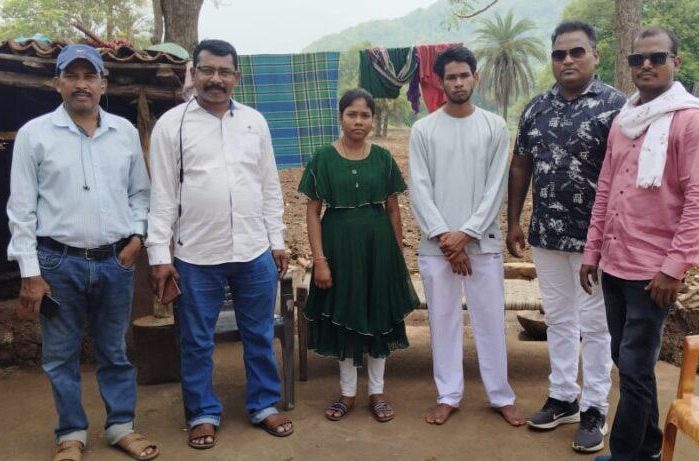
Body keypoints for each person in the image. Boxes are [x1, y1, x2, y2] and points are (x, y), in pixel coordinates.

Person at [6, 44, 158, 461]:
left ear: (103, 84)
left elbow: (140, 193)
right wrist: (30, 272)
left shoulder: (124, 132)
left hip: (115, 261)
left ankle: (121, 427)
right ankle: (71, 433)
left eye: (89, 76)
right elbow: (21, 209)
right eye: (71, 76)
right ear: (56, 83)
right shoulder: (35, 135)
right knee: (60, 356)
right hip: (57, 263)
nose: (81, 84)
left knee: (115, 351)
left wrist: (137, 238)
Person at [579, 27, 699, 461]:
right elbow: (606, 189)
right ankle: (648, 448)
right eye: (637, 59)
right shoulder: (625, 119)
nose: (645, 65)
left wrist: (674, 268)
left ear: (675, 63)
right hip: (615, 262)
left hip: (653, 272)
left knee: (635, 369)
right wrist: (592, 251)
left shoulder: (691, 120)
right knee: (629, 364)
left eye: (656, 58)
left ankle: (626, 454)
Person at [145, 39, 293, 449]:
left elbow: (268, 186)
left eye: (224, 72)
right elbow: (162, 195)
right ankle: (202, 413)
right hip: (195, 255)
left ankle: (263, 404)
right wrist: (159, 255)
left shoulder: (254, 122)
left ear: (236, 77)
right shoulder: (171, 125)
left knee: (259, 333)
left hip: (253, 250)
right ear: (193, 73)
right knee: (196, 340)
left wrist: (276, 240)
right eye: (207, 70)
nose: (216, 79)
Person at [508, 20, 626, 454]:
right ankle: (563, 397)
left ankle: (595, 408)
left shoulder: (617, 107)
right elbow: (521, 163)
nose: (568, 60)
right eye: (559, 54)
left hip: (597, 239)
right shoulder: (537, 108)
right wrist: (514, 220)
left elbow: (629, 173)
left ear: (595, 55)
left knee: (595, 325)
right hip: (547, 234)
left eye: (577, 52)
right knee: (558, 318)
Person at [408, 45, 525, 427]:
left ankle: (500, 395)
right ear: (440, 82)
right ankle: (448, 395)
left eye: (464, 75)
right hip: (437, 246)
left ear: (475, 77)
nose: (458, 82)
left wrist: (466, 234)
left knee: (490, 321)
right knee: (442, 322)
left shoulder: (494, 127)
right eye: (451, 77)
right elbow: (419, 188)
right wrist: (447, 237)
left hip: (482, 243)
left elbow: (495, 188)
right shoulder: (424, 130)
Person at [298, 88, 420, 423]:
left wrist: (395, 255)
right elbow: (313, 213)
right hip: (337, 249)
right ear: (341, 117)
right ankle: (348, 393)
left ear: (372, 119)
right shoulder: (323, 158)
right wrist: (319, 261)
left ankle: (377, 392)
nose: (358, 121)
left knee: (378, 314)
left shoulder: (382, 158)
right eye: (352, 114)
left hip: (378, 249)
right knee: (345, 314)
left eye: (365, 115)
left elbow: (393, 209)